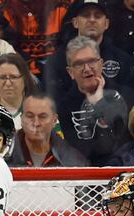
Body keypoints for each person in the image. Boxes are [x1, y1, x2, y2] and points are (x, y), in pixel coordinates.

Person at [55, 35, 129, 166]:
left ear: (101, 64)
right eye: (79, 64)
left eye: (91, 61)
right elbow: (81, 150)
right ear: (70, 72)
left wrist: (99, 103)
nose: (87, 69)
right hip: (85, 175)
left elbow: (123, 143)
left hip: (123, 171)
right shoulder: (64, 106)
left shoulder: (125, 95)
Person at [43, 0, 134, 103]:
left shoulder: (123, 60)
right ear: (75, 22)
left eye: (97, 16)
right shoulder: (56, 62)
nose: (92, 20)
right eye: (86, 15)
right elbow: (50, 102)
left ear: (106, 23)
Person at [0, 0, 70, 79]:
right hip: (16, 71)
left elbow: (68, 43)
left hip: (56, 73)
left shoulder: (63, 5)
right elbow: (6, 45)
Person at [7, 92, 89, 167]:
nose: (36, 123)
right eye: (30, 116)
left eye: (42, 117)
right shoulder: (3, 156)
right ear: (21, 119)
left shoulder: (73, 162)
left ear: (54, 120)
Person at [0, 53, 39, 130]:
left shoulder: (42, 112)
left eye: (13, 77)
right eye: (2, 78)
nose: (8, 83)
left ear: (25, 79)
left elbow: (57, 141)